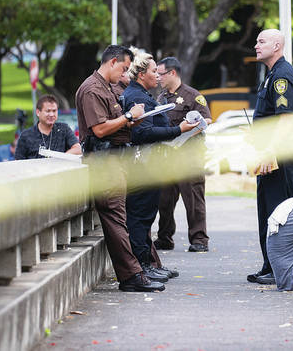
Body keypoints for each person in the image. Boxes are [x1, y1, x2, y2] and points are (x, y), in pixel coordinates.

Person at [75, 44, 165, 292]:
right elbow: (100, 130)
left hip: (116, 161)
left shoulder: (107, 87)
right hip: (103, 163)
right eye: (124, 68)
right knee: (116, 219)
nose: (125, 74)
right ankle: (131, 276)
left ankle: (136, 272)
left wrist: (133, 119)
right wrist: (128, 117)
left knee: (122, 219)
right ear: (113, 62)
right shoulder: (93, 89)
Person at [122, 48, 198, 279]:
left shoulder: (143, 95)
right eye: (154, 71)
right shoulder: (136, 96)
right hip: (142, 166)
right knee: (140, 217)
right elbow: (142, 134)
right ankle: (141, 267)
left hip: (152, 164)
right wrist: (178, 130)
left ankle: (148, 264)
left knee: (147, 216)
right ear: (141, 73)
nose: (158, 75)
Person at [248, 29, 293, 284]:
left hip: (279, 156)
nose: (256, 45)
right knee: (267, 211)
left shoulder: (282, 76)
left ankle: (280, 269)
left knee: (278, 211)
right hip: (268, 156)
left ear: (277, 45)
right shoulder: (271, 75)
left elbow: (285, 120)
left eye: (262, 41)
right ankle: (269, 265)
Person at [154, 57, 212, 252]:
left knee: (193, 200)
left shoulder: (192, 96)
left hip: (189, 157)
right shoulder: (161, 98)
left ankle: (199, 240)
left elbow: (207, 120)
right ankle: (164, 238)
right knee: (164, 200)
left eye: (160, 74)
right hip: (167, 158)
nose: (157, 77)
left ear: (172, 73)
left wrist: (182, 135)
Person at [15, 94, 82, 160]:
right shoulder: (26, 135)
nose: (51, 114)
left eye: (54, 111)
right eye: (48, 111)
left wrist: (60, 158)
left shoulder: (64, 129)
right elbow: (18, 161)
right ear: (38, 112)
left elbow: (78, 149)